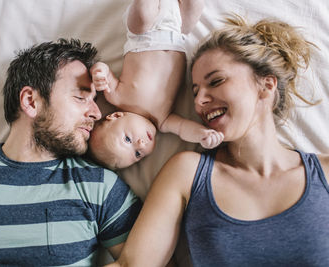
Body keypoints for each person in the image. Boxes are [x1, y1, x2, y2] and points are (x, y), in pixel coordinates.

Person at [105, 15, 329, 266]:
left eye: (216, 81)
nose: (199, 102)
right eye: (195, 91)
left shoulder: (325, 173)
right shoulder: (187, 173)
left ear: (266, 86)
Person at [0, 38, 142, 266]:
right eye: (81, 98)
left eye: (94, 100)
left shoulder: (101, 188)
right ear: (31, 101)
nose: (97, 113)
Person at [88, 0, 224, 170]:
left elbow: (104, 71)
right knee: (194, 5)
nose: (140, 144)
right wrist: (202, 135)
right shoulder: (164, 120)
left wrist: (98, 73)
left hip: (144, 34)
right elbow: (183, 128)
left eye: (127, 140)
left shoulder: (117, 97)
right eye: (138, 154)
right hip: (178, 31)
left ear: (115, 117)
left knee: (143, 13)